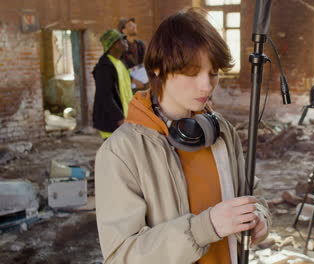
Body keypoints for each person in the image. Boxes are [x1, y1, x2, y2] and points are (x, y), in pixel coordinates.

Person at [95, 9, 271, 264]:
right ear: (157, 69)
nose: (206, 86)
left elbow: (251, 192)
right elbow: (121, 255)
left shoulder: (220, 131)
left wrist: (260, 216)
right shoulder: (122, 151)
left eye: (213, 73)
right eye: (192, 72)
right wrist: (204, 228)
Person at [92, 29, 133, 140]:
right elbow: (105, 95)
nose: (126, 42)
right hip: (113, 122)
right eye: (122, 40)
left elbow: (125, 89)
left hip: (126, 118)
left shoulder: (120, 63)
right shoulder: (104, 67)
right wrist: (119, 118)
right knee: (116, 154)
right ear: (113, 44)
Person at [118, 18, 147, 92]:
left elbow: (143, 64)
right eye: (130, 25)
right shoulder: (120, 48)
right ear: (123, 30)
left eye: (134, 24)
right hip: (128, 86)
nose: (134, 26)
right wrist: (133, 81)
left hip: (143, 84)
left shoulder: (140, 45)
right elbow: (120, 69)